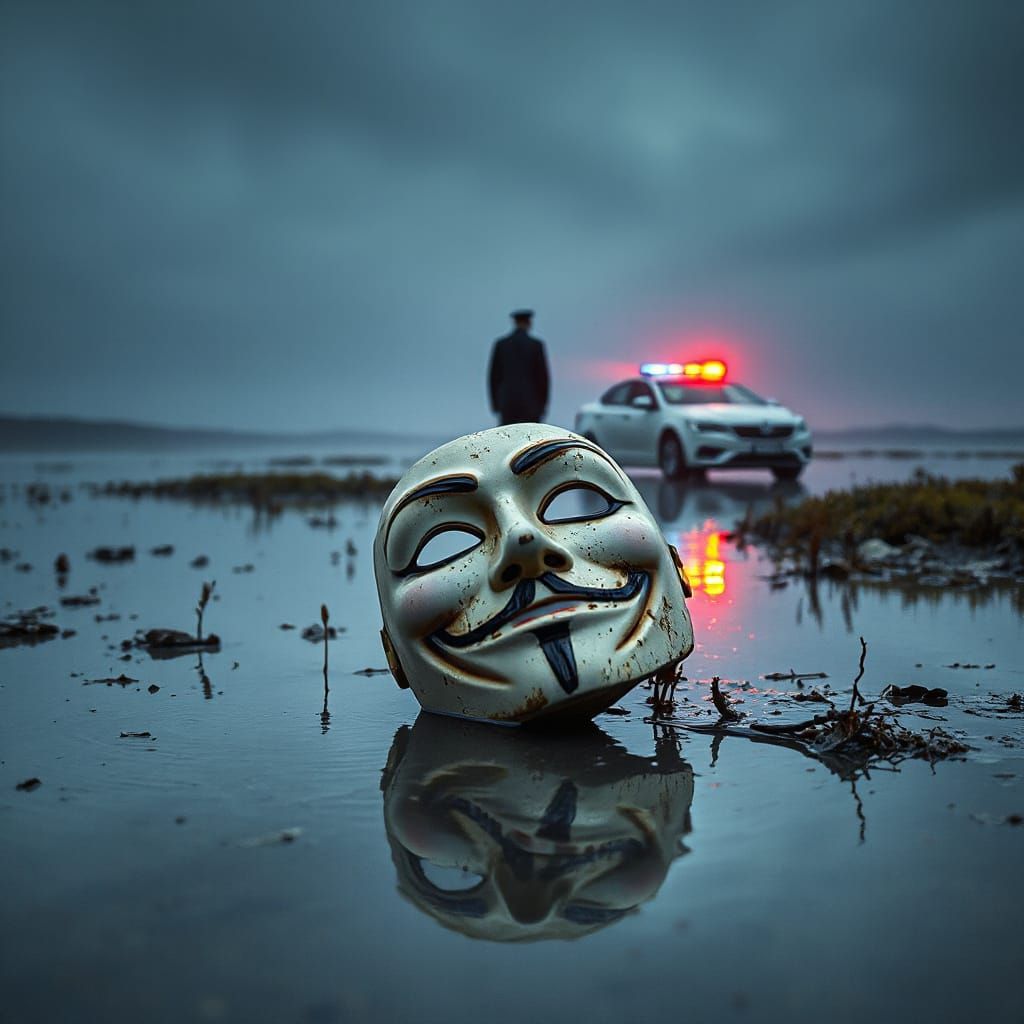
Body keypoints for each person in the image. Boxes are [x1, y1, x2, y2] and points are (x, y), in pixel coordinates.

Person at [487, 309, 551, 425]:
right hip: (531, 403)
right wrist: (543, 405)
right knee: (530, 439)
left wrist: (496, 404)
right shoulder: (536, 345)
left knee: (508, 438)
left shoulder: (501, 345)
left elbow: (493, 378)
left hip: (507, 403)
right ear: (529, 323)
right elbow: (543, 378)